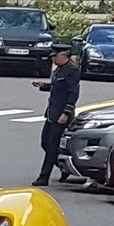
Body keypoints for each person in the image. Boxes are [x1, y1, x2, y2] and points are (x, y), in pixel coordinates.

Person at [31, 45, 82, 186]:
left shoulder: (72, 70)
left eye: (55, 56)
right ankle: (64, 166)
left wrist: (66, 112)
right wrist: (43, 85)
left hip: (61, 114)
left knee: (52, 145)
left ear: (64, 56)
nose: (53, 59)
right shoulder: (60, 69)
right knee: (45, 142)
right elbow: (56, 87)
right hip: (52, 113)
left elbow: (73, 93)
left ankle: (44, 176)